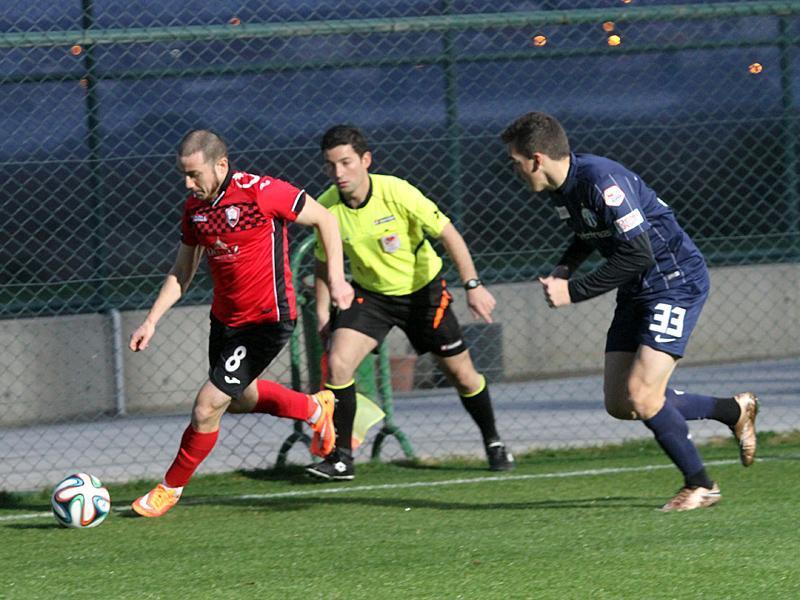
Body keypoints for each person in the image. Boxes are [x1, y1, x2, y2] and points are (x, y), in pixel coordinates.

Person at [501, 112, 759, 512]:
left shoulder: (601, 181)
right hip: (637, 287)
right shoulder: (562, 188)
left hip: (675, 282)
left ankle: (701, 486)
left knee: (642, 394)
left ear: (536, 159)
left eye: (515, 162)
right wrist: (565, 267)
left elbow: (639, 253)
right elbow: (587, 232)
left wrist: (574, 291)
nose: (513, 170)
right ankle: (733, 410)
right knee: (622, 402)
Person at [128, 129, 354, 517]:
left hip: (267, 320)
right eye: (184, 175)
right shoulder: (195, 210)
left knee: (207, 407)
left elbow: (326, 220)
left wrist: (336, 279)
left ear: (221, 165)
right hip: (225, 321)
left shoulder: (261, 192)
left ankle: (170, 488)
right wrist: (151, 320)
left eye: (194, 175)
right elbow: (182, 271)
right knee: (239, 400)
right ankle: (315, 409)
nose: (188, 184)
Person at [306, 124, 514, 481]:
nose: (339, 172)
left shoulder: (397, 192)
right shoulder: (326, 207)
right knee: (338, 363)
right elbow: (323, 263)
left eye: (346, 162)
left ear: (366, 160)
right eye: (331, 165)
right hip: (371, 297)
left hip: (424, 296)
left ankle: (493, 441)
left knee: (463, 376)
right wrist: (324, 312)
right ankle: (342, 458)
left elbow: (448, 234)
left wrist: (473, 285)